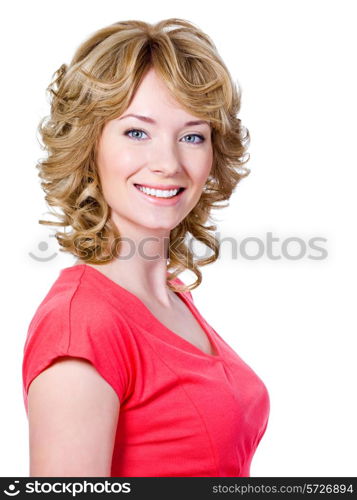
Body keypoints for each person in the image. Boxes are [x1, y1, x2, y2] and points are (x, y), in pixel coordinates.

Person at [22, 18, 270, 477]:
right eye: (137, 132)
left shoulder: (172, 297)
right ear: (89, 145)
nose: (168, 163)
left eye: (192, 136)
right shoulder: (83, 326)